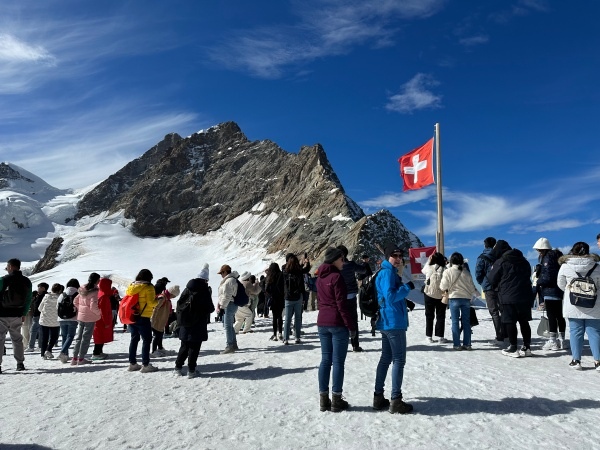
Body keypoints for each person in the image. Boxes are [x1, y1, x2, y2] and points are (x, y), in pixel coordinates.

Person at [373, 244, 416, 414]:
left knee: (386, 358)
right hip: (393, 322)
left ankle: (378, 397)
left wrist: (405, 300)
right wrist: (407, 288)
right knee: (399, 360)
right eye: (394, 255)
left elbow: (388, 295)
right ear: (387, 256)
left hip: (387, 320)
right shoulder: (388, 273)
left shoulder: (385, 272)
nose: (398, 259)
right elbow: (390, 297)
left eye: (400, 256)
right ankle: (396, 399)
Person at [316, 247, 356, 412]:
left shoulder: (319, 278)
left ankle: (323, 399)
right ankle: (336, 399)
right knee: (338, 361)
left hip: (322, 322)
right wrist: (351, 326)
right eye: (341, 259)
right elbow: (341, 304)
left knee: (326, 360)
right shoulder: (336, 277)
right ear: (334, 260)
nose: (344, 262)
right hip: (337, 323)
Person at [557, 241, 600, 370]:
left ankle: (576, 360)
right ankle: (598, 361)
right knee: (594, 333)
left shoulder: (565, 266)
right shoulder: (596, 266)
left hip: (573, 303)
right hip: (593, 303)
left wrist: (572, 291)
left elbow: (561, 284)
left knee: (576, 332)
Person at [487, 240, 533, 358]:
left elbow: (492, 278)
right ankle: (527, 347)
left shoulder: (501, 261)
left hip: (508, 295)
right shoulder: (524, 261)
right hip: (525, 295)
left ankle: (513, 347)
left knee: (510, 321)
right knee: (524, 321)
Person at [175, 265, 215, 378]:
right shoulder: (204, 290)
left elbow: (179, 304)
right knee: (194, 347)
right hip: (198, 323)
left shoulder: (187, 288)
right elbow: (210, 308)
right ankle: (191, 370)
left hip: (185, 322)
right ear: (206, 280)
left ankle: (178, 368)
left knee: (184, 346)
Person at [533, 237, 566, 351]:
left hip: (550, 290)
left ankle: (553, 340)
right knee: (559, 316)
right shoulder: (557, 257)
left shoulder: (548, 258)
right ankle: (562, 340)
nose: (538, 252)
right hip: (559, 290)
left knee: (551, 316)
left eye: (538, 250)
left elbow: (548, 276)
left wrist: (539, 280)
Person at [440, 252, 479, 350]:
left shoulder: (447, 272)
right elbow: (471, 287)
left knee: (455, 322)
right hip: (466, 299)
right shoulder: (466, 272)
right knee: (466, 322)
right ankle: (467, 344)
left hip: (454, 298)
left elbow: (442, 286)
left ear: (451, 261)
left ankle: (457, 344)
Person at [0, 258, 32, 373]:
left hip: (2, 314)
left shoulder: (3, 280)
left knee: (0, 339)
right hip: (17, 314)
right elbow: (28, 299)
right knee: (17, 339)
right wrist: (23, 313)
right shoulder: (27, 281)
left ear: (10, 266)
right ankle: (20, 363)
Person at [126, 269, 158, 372]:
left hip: (132, 316)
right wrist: (158, 300)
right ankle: (146, 364)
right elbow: (151, 303)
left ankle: (132, 363)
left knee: (134, 339)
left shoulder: (132, 286)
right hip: (143, 316)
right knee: (147, 340)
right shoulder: (149, 287)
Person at [336, 245, 367, 352]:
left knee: (340, 320)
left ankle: (341, 345)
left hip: (339, 297)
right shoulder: (351, 265)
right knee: (353, 320)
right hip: (351, 296)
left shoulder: (335, 267)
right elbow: (363, 271)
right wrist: (365, 263)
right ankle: (355, 345)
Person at [476, 237, 504, 343]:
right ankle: (506, 334)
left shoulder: (482, 257)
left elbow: (478, 272)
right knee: (503, 310)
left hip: (488, 287)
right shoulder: (500, 256)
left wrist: (482, 283)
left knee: (494, 311)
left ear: (485, 245)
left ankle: (499, 336)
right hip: (500, 287)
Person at [71, 273, 101, 365]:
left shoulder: (82, 289)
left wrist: (81, 309)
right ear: (97, 280)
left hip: (81, 317)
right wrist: (99, 313)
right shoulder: (94, 291)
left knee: (78, 337)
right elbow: (93, 306)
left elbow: (75, 301)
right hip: (90, 318)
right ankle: (81, 358)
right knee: (86, 338)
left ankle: (74, 358)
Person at [282, 253, 310, 345]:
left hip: (288, 297)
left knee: (287, 319)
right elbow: (306, 269)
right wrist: (307, 262)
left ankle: (285, 338)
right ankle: (297, 337)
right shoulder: (299, 271)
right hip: (298, 297)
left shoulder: (285, 271)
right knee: (298, 318)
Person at [421, 252, 447, 343]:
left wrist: (429, 260)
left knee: (429, 315)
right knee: (440, 316)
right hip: (440, 295)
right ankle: (440, 337)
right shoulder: (444, 269)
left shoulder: (429, 267)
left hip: (428, 293)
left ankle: (429, 336)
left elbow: (422, 271)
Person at [57, 278, 80, 363]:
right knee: (70, 336)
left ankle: (65, 356)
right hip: (73, 318)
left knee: (64, 336)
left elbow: (57, 306)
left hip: (61, 318)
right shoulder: (77, 294)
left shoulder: (62, 294)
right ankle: (63, 352)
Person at [217, 264, 239, 354]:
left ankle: (230, 345)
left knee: (227, 326)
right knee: (229, 325)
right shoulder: (232, 280)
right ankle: (233, 344)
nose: (221, 275)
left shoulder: (229, 281)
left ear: (226, 272)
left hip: (229, 304)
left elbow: (227, 296)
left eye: (222, 273)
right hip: (231, 304)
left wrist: (222, 307)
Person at [91, 277, 114, 361]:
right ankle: (96, 353)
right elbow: (104, 311)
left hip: (97, 319)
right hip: (101, 321)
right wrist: (107, 322)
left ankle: (99, 352)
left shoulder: (98, 293)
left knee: (99, 336)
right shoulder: (104, 296)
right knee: (100, 337)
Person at [38, 283, 62, 359]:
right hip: (55, 321)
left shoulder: (46, 296)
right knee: (54, 337)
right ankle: (49, 349)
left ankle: (42, 354)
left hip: (44, 320)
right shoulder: (60, 298)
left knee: (44, 338)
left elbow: (40, 308)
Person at [151, 277, 171, 356]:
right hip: (157, 312)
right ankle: (155, 349)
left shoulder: (158, 284)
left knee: (160, 333)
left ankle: (159, 347)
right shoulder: (160, 286)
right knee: (158, 333)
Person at [26, 282, 48, 352]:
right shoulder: (39, 295)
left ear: (43, 288)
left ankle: (31, 346)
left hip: (39, 315)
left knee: (33, 330)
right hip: (38, 315)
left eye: (39, 287)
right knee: (40, 331)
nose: (38, 288)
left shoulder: (44, 296)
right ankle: (40, 346)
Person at [265, 262, 285, 341]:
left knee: (274, 317)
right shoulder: (281, 275)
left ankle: (275, 334)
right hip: (280, 298)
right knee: (280, 316)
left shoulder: (270, 276)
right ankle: (280, 333)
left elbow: (266, 289)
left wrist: (270, 295)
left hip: (273, 298)